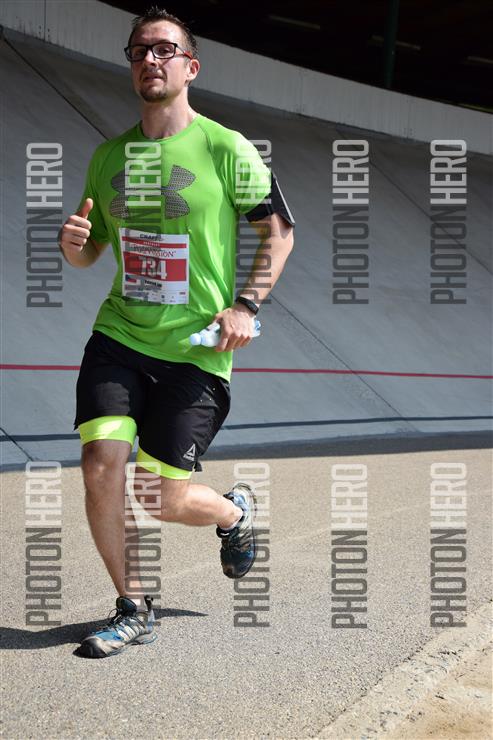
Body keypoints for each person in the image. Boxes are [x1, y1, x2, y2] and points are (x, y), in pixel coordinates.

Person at [59, 6, 295, 659]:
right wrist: (75, 247)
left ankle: (233, 512)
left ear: (191, 66)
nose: (150, 59)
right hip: (119, 336)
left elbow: (278, 232)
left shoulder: (225, 148)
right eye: (139, 50)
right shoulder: (108, 157)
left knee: (158, 498)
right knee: (100, 465)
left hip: (196, 351)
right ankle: (133, 606)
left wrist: (245, 305)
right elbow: (92, 251)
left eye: (164, 49)